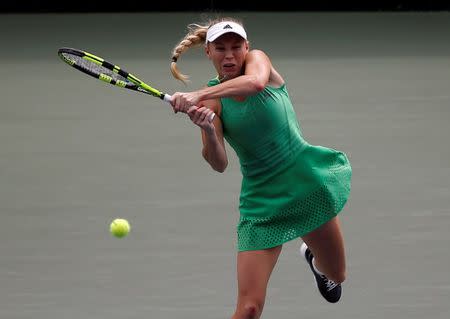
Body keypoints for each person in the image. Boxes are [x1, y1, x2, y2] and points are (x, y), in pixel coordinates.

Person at [168, 17, 352, 318]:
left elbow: (254, 83)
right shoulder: (213, 103)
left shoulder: (257, 62)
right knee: (249, 308)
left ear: (246, 48)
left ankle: (315, 261)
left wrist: (199, 94)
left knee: (338, 274)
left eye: (236, 47)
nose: (229, 55)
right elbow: (219, 163)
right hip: (262, 204)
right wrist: (210, 130)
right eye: (220, 48)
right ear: (208, 53)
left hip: (306, 184)